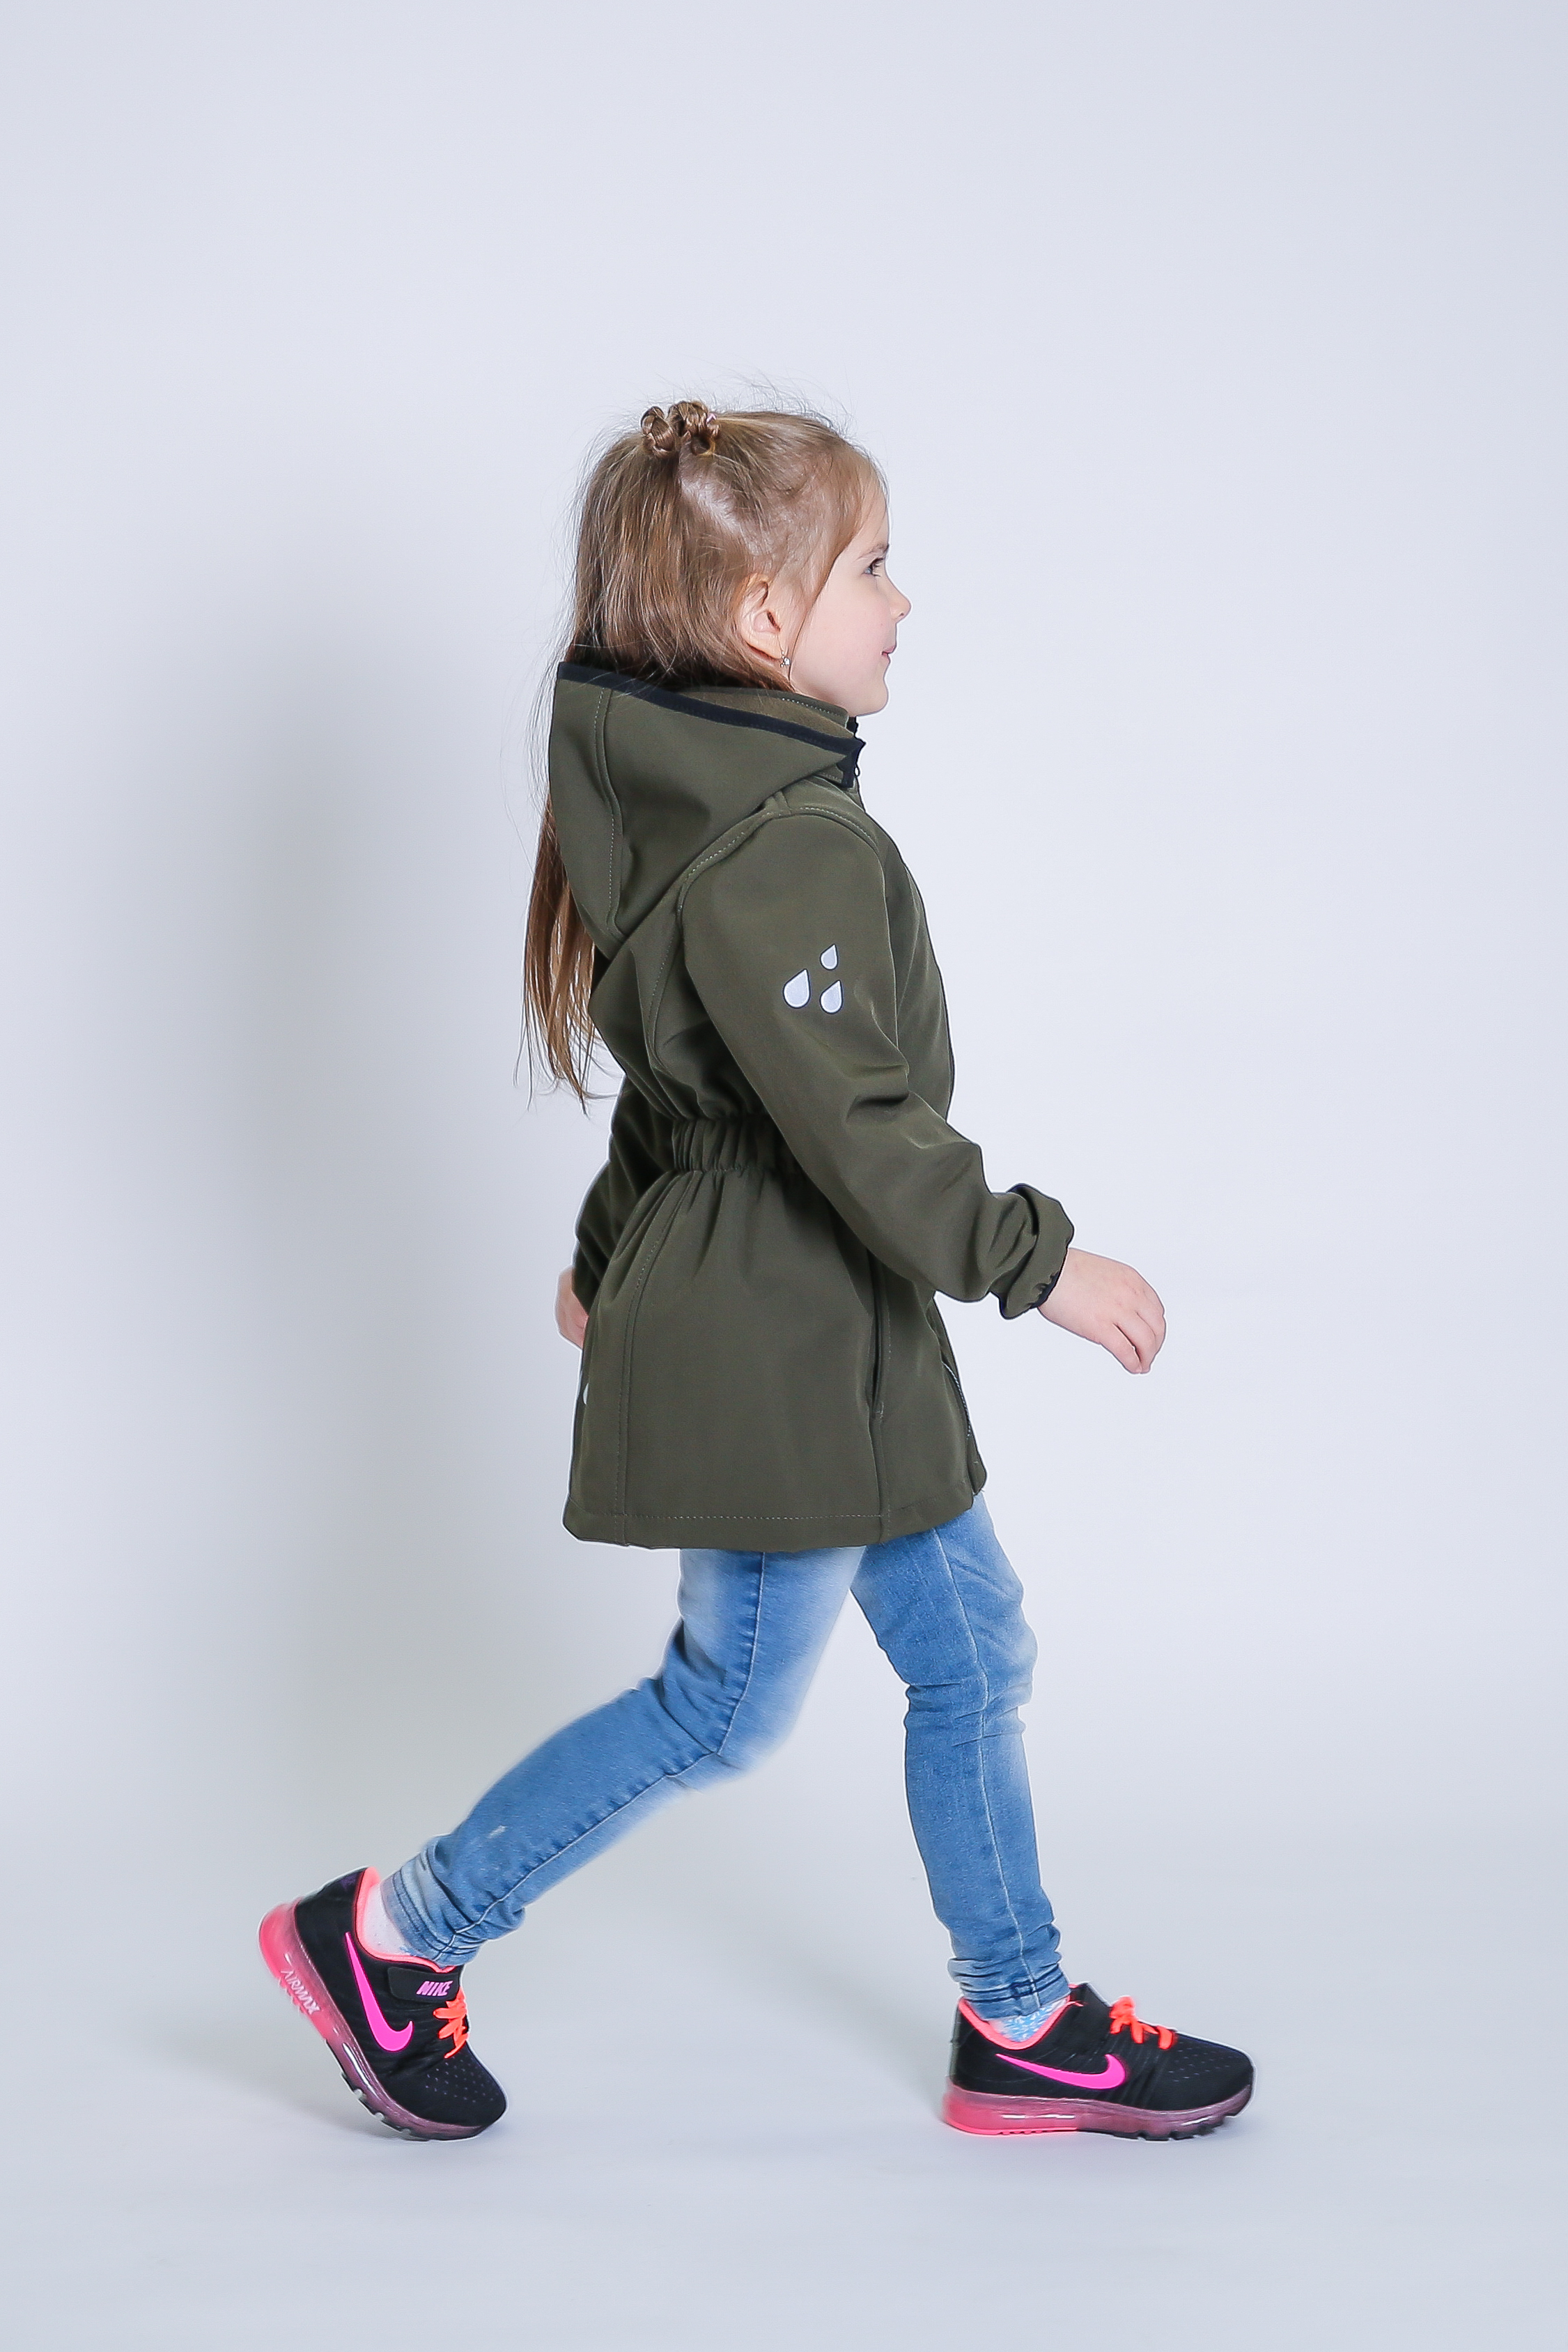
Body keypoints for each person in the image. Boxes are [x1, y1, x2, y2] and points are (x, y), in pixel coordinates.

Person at [260, 401, 1254, 2144]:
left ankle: (1020, 2013)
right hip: (782, 1341)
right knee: (724, 1702)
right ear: (765, 619)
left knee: (970, 1649)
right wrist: (1037, 1261)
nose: (903, 601)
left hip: (833, 1332)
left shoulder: (727, 817)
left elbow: (689, 1093)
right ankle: (396, 1933)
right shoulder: (784, 842)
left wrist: (600, 1250)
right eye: (872, 565)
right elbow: (856, 1124)